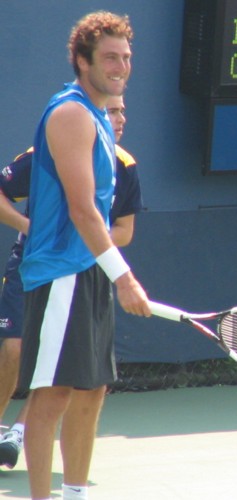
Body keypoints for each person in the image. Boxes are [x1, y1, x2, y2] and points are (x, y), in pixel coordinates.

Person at [18, 11, 151, 500]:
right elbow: (81, 208)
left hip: (89, 269)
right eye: (110, 57)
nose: (121, 66)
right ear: (82, 59)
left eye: (127, 57)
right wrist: (125, 277)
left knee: (91, 391)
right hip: (60, 273)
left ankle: (74, 493)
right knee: (50, 396)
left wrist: (109, 272)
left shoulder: (100, 117)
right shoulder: (71, 113)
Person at [0, 93, 142, 470]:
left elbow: (125, 230)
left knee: (60, 370)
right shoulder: (47, 152)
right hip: (33, 265)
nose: (120, 117)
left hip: (86, 273)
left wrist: (89, 240)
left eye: (123, 110)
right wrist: (33, 228)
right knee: (14, 351)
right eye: (112, 110)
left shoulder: (125, 166)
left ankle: (17, 433)